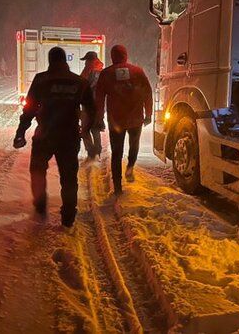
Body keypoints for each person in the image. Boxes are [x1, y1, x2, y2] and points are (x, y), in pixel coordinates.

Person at [13, 46, 95, 227]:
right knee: (68, 177)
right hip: (69, 136)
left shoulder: (41, 80)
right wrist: (85, 130)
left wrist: (21, 132)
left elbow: (29, 109)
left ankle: (41, 207)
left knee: (37, 171)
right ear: (65, 61)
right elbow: (91, 109)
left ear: (50, 61)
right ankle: (68, 217)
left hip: (45, 135)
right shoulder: (79, 82)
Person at [95, 45, 152, 195]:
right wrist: (149, 114)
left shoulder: (106, 74)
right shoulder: (137, 71)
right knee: (134, 146)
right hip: (135, 119)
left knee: (117, 153)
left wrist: (99, 118)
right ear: (126, 55)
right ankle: (130, 167)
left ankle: (118, 186)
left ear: (112, 56)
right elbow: (148, 92)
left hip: (116, 121)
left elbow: (99, 98)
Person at [80, 51, 104, 161]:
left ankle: (91, 152)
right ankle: (97, 151)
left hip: (88, 104)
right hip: (99, 104)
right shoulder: (101, 70)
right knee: (95, 128)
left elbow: (83, 85)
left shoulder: (89, 70)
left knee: (85, 130)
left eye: (86, 60)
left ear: (90, 60)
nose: (85, 63)